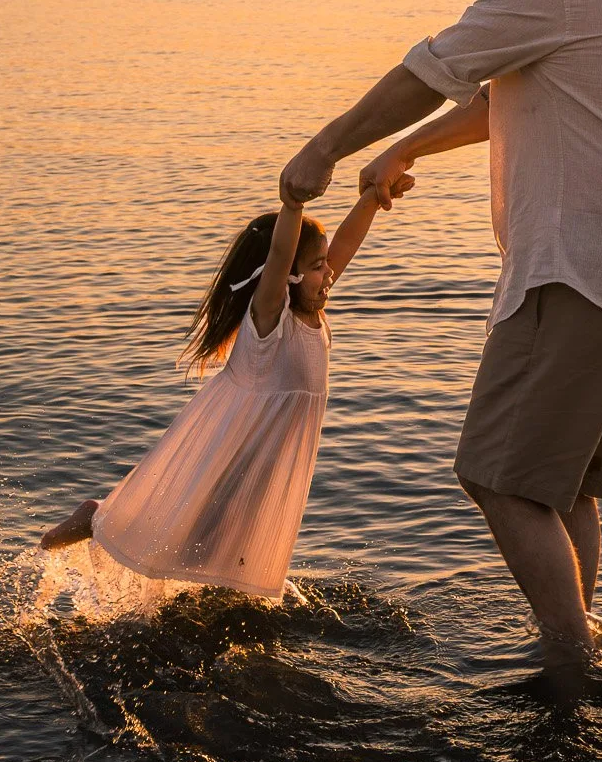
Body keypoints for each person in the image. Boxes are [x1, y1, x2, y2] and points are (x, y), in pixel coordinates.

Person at [280, 0, 602, 674]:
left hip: (573, 269)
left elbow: (434, 67)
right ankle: (590, 645)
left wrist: (328, 148)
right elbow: (505, 92)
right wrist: (407, 149)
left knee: (497, 475)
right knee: (562, 483)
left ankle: (569, 662)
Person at [39, 181, 407, 597]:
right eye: (319, 265)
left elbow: (343, 246)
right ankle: (98, 517)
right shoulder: (271, 318)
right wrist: (293, 202)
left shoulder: (311, 306)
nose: (331, 272)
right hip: (235, 442)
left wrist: (373, 198)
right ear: (288, 274)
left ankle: (212, 606)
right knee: (189, 540)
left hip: (274, 453)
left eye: (326, 264)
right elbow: (281, 255)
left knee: (228, 550)